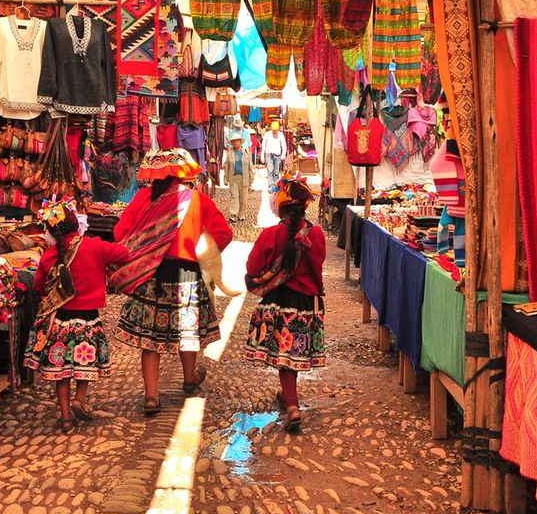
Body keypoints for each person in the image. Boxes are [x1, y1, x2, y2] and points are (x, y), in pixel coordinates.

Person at [112, 148, 233, 415]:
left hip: (152, 274)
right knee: (188, 331)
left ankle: (152, 396)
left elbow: (120, 231)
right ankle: (189, 378)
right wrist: (205, 253)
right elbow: (224, 233)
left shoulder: (145, 197)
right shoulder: (197, 200)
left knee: (150, 339)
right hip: (188, 273)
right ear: (183, 172)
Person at [26, 197, 130, 432]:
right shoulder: (95, 246)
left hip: (60, 321)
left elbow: (38, 287)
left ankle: (64, 416)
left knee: (62, 371)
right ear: (77, 225)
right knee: (85, 363)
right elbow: (125, 255)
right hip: (88, 319)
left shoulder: (49, 255)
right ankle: (79, 399)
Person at [244, 175, 326, 432]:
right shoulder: (317, 235)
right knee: (294, 355)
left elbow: (252, 267)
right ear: (304, 206)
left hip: (279, 303)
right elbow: (318, 264)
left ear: (280, 206)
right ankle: (290, 400)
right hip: (305, 303)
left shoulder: (271, 235)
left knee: (285, 356)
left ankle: (292, 405)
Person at [223, 130, 252, 223]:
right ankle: (233, 214)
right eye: (234, 141)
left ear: (240, 141)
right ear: (232, 143)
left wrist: (251, 179)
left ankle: (241, 214)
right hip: (233, 177)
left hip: (244, 178)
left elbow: (250, 166)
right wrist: (225, 178)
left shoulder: (246, 152)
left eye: (237, 141)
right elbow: (226, 166)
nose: (236, 143)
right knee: (234, 196)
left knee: (243, 197)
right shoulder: (230, 153)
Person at [261, 120, 287, 189]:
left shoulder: (281, 135)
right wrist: (262, 156)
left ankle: (276, 185)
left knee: (276, 172)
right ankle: (271, 186)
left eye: (276, 130)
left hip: (277, 155)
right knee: (270, 170)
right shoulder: (267, 134)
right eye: (273, 130)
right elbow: (263, 145)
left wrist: (283, 154)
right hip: (269, 154)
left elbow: (284, 145)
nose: (274, 131)